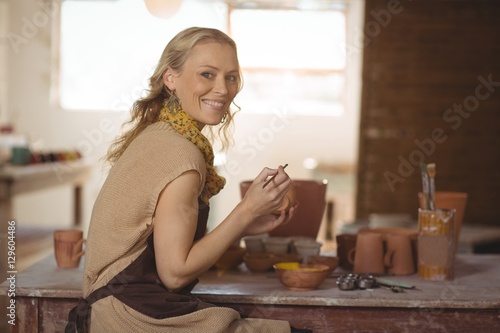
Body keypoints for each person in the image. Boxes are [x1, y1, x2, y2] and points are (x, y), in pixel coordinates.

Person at [66, 27, 311, 333]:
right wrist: (246, 210)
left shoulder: (163, 134)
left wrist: (244, 227)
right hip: (133, 317)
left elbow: (167, 248)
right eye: (207, 74)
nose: (222, 88)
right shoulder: (182, 154)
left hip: (127, 308)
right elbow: (175, 273)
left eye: (231, 77)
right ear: (171, 78)